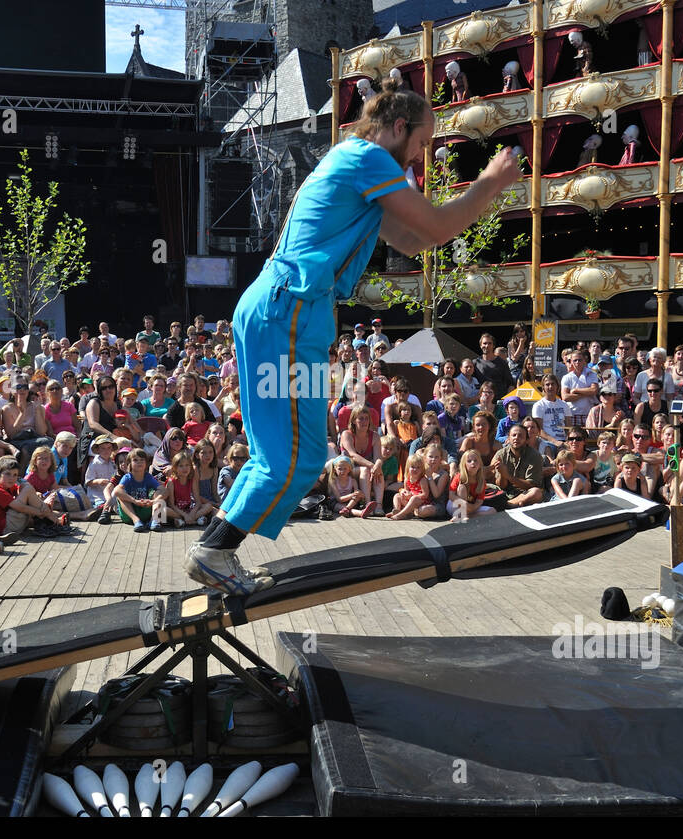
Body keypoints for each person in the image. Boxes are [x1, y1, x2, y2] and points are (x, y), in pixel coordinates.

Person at [184, 78, 520, 593]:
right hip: (291, 311)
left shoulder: (354, 163)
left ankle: (214, 549)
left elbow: (413, 238)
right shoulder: (368, 159)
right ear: (399, 127)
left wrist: (471, 200)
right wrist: (490, 183)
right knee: (299, 457)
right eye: (424, 142)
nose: (423, 155)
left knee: (275, 454)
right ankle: (214, 550)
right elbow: (431, 228)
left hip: (278, 307)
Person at [491, 423, 544, 507]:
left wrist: (509, 477)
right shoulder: (501, 454)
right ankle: (514, 504)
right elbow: (502, 486)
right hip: (505, 493)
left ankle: (507, 505)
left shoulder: (535, 456)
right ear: (508, 438)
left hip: (525, 493)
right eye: (514, 435)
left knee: (536, 492)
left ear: (527, 440)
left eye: (520, 436)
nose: (516, 438)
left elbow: (531, 485)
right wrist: (502, 474)